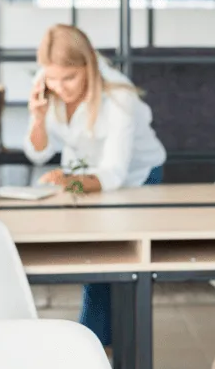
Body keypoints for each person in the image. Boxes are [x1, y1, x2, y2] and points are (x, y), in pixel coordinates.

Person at [23, 23, 166, 350]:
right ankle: (97, 350)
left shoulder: (118, 97)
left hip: (138, 177)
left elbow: (114, 174)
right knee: (98, 268)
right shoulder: (47, 80)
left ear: (88, 64)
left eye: (69, 78)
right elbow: (38, 152)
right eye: (52, 79)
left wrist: (66, 180)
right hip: (83, 177)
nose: (60, 88)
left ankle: (98, 351)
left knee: (116, 269)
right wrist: (37, 117)